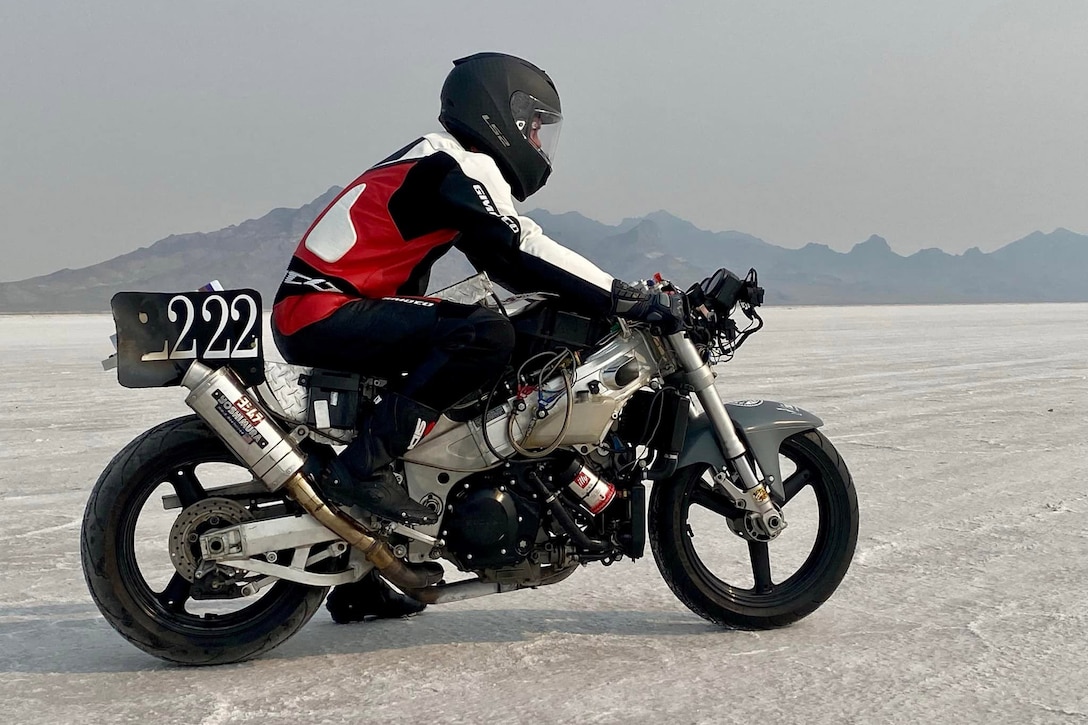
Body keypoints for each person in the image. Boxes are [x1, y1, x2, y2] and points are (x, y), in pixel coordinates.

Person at [271, 52, 685, 621]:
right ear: (499, 111)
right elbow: (522, 244)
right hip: (327, 308)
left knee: (487, 329)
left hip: (328, 307)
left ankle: (362, 575)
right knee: (485, 335)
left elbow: (505, 264)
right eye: (534, 125)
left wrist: (596, 298)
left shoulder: (439, 169)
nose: (538, 141)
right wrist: (624, 296)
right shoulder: (455, 162)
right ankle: (361, 470)